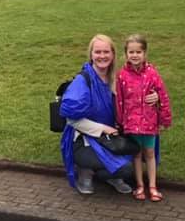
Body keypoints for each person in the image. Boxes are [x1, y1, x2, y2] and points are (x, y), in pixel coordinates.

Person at [59, 34, 157, 195]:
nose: (102, 56)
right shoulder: (83, 81)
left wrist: (156, 97)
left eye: (106, 52)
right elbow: (71, 119)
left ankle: (108, 175)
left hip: (110, 137)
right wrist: (103, 128)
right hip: (85, 140)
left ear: (113, 54)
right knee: (124, 167)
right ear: (91, 55)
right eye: (97, 52)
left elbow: (137, 95)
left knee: (130, 164)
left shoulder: (117, 78)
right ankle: (86, 171)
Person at [115, 34, 172, 202]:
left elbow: (163, 95)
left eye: (138, 52)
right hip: (132, 123)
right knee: (137, 154)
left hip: (149, 123)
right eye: (131, 52)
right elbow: (119, 100)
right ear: (126, 54)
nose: (134, 55)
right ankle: (140, 185)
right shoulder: (122, 75)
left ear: (145, 53)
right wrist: (119, 121)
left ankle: (153, 185)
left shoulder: (152, 74)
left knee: (150, 153)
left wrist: (164, 118)